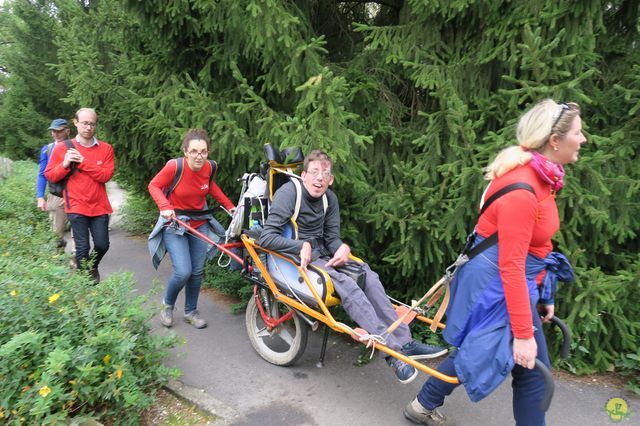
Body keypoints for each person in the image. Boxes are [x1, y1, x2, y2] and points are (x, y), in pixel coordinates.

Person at [403, 99, 584, 425]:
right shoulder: (524, 190)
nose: (583, 139)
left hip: (509, 282)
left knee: (485, 349)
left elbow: (536, 244)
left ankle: (422, 404)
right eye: (578, 132)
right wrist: (525, 335)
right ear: (554, 141)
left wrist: (544, 293)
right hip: (495, 286)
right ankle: (422, 404)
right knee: (528, 373)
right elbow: (512, 265)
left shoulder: (543, 177)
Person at [258, 150, 447, 384]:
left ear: (331, 179)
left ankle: (405, 343)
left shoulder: (330, 199)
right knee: (347, 285)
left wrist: (342, 248)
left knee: (368, 275)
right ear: (303, 175)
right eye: (314, 172)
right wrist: (300, 246)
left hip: (324, 255)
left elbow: (332, 238)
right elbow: (265, 237)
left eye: (325, 174)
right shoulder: (289, 194)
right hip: (296, 260)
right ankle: (391, 352)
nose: (319, 178)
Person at [148, 128, 235, 329]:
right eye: (194, 151)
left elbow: (210, 186)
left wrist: (230, 206)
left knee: (197, 271)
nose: (199, 156)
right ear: (186, 152)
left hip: (199, 223)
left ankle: (190, 311)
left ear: (208, 152)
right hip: (175, 224)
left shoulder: (210, 167)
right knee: (183, 272)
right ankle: (167, 306)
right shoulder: (174, 167)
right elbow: (153, 185)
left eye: (203, 151)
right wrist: (165, 207)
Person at [44, 108, 115, 283]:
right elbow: (50, 175)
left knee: (102, 245)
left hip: (99, 206)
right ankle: (86, 286)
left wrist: (83, 162)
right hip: (75, 205)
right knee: (82, 248)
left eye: (92, 123)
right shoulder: (62, 148)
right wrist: (66, 164)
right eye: (85, 123)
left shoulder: (105, 149)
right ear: (76, 123)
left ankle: (92, 267)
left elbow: (105, 175)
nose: (89, 127)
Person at [36, 118, 71, 249]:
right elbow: (42, 174)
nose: (55, 134)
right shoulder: (47, 149)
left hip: (77, 194)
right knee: (56, 234)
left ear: (67, 131)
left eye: (59, 131)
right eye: (53, 131)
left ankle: (78, 259)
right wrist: (40, 197)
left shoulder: (76, 146)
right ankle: (59, 259)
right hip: (57, 195)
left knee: (79, 231)